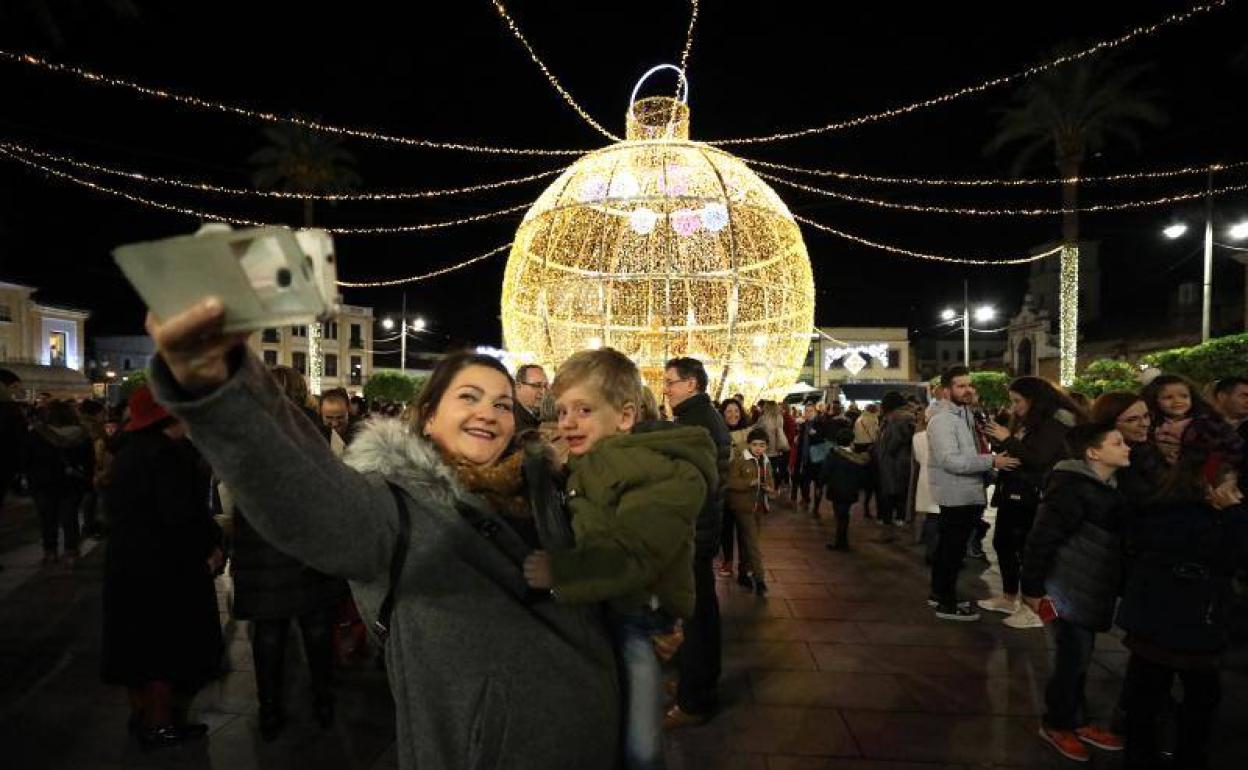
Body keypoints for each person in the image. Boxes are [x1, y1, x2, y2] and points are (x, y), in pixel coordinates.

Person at [145, 299, 620, 769]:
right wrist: (220, 387)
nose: (490, 413)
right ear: (428, 415)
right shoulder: (394, 507)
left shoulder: (550, 485)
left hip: (598, 739)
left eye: (502, 403)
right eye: (468, 397)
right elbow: (303, 491)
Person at [523, 348, 715, 770]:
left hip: (638, 619)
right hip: (607, 609)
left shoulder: (658, 470)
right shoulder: (588, 462)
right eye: (562, 410)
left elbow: (634, 553)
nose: (568, 421)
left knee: (639, 739)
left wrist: (560, 572)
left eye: (584, 410)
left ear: (625, 416)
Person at [228, 368, 352, 740]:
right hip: (310, 541)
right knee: (316, 625)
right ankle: (323, 701)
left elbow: (230, 486)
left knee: (269, 630)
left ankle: (269, 711)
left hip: (261, 542)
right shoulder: (317, 432)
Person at [1116, 418, 1246, 769]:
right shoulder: (1169, 499)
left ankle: (1183, 754)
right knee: (1151, 693)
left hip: (1193, 615)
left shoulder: (1213, 500)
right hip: (1168, 613)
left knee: (1196, 696)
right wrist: (1228, 516)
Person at [101, 386, 224, 749]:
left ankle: (143, 717)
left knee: (137, 647)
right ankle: (160, 723)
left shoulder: (129, 452)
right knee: (164, 649)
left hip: (131, 565)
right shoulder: (166, 458)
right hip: (166, 570)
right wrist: (212, 542)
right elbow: (180, 517)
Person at [1020, 423, 1130, 762]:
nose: (1127, 447)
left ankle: (1076, 720)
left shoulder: (1106, 484)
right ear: (1093, 452)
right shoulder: (1072, 488)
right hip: (1065, 590)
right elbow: (1042, 538)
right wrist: (1033, 589)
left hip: (1089, 585)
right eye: (1118, 442)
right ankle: (1057, 723)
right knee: (1071, 658)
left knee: (1078, 657)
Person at [661, 356, 730, 729]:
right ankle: (695, 684)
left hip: (695, 533)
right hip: (701, 532)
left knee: (698, 618)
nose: (667, 389)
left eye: (671, 382)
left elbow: (692, 485)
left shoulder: (696, 422)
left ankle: (696, 699)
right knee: (700, 615)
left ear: (691, 383)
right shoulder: (702, 417)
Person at [979, 377, 1080, 629]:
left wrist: (1008, 439)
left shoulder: (1057, 422)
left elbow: (1038, 458)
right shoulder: (1029, 422)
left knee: (1028, 551)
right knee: (1002, 543)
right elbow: (1022, 452)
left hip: (1033, 494)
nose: (1013, 407)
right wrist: (1004, 442)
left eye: (1017, 401)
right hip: (1014, 491)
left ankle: (1035, 610)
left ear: (1035, 399)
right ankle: (1009, 597)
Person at [926, 367, 1020, 621]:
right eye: (961, 386)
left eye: (970, 385)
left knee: (950, 548)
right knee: (952, 550)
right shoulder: (944, 420)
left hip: (966, 491)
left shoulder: (964, 415)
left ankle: (939, 594)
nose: (968, 390)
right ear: (946, 390)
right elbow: (951, 461)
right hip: (957, 493)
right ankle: (947, 603)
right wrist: (991, 462)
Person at [25, 399, 94, 565]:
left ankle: (50, 552)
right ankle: (71, 552)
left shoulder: (37, 434)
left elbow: (27, 459)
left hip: (43, 482)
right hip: (71, 482)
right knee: (70, 518)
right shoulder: (82, 435)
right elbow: (89, 461)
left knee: (47, 519)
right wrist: (87, 480)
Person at [725, 427, 774, 594]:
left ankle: (743, 572)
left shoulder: (766, 461)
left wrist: (770, 490)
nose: (758, 448)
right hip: (743, 508)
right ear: (749, 445)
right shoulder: (740, 460)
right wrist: (749, 483)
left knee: (748, 542)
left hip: (758, 507)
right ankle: (760, 579)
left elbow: (770, 482)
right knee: (752, 543)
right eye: (755, 445)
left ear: (766, 446)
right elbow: (730, 482)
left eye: (762, 445)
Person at [1141, 374, 1217, 466]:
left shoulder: (1205, 423)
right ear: (1154, 400)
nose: (1177, 401)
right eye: (1168, 397)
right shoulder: (1150, 425)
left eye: (1184, 396)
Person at [717, 398, 751, 580]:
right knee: (726, 528)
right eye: (728, 411)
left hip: (744, 490)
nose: (733, 415)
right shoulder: (718, 434)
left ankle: (744, 567)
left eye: (736, 411)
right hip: (725, 489)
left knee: (744, 529)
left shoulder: (749, 433)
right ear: (722, 414)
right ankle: (728, 561)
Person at [820, 428, 868, 551]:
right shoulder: (856, 458)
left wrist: (821, 484)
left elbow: (825, 472)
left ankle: (841, 542)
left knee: (840, 516)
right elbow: (861, 476)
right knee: (844, 515)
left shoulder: (833, 455)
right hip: (850, 490)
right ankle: (842, 541)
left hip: (836, 489)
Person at [875, 392, 916, 529]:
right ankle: (898, 516)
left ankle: (893, 517)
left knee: (892, 489)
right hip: (901, 458)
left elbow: (895, 438)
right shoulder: (905, 416)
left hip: (895, 459)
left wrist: (888, 450)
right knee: (899, 489)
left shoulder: (897, 417)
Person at [756, 401, 791, 497]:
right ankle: (774, 489)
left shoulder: (763, 419)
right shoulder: (779, 418)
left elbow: (755, 429)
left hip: (766, 449)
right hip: (778, 448)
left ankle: (766, 490)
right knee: (775, 471)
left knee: (765, 471)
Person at [513, 363, 548, 436]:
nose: (543, 392)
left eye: (545, 386)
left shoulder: (541, 417)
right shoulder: (510, 420)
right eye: (536, 385)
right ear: (518, 387)